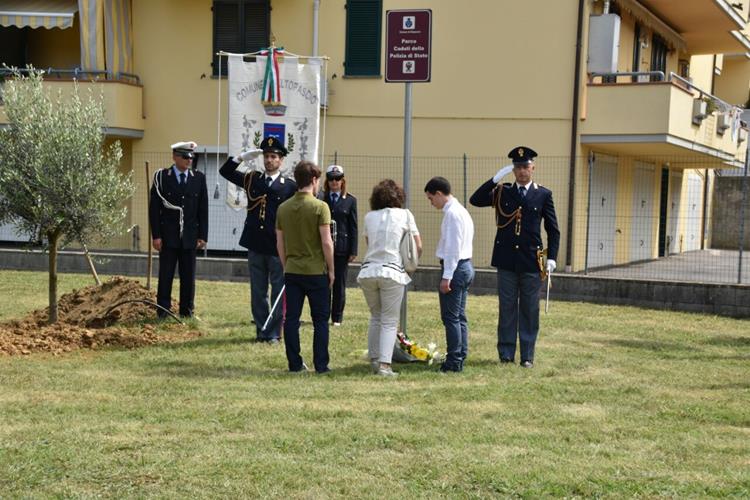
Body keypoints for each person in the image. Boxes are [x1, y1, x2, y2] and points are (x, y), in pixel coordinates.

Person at [470, 146, 560, 368]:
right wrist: (493, 180)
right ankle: (506, 354)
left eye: (525, 167)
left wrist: (552, 258)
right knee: (507, 307)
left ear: (533, 167)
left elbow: (553, 229)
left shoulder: (543, 194)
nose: (522, 171)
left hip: (531, 260)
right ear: (513, 170)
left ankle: (527, 356)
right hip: (507, 259)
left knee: (530, 309)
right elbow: (475, 199)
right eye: (518, 167)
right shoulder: (503, 191)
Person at [219, 137, 297, 343]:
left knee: (278, 291)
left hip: (277, 246)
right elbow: (225, 172)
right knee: (258, 290)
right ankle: (262, 330)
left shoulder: (289, 186)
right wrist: (241, 158)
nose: (269, 160)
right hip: (255, 243)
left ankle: (273, 333)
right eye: (266, 156)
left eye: (274, 157)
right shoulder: (253, 179)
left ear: (281, 160)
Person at [357, 179, 422, 377]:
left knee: (376, 316)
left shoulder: (369, 217)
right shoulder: (405, 214)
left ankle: (375, 360)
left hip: (368, 270)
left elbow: (369, 243)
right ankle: (385, 365)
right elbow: (417, 245)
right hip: (392, 270)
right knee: (389, 321)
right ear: (399, 197)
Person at [276, 161, 334, 374]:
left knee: (291, 318)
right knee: (320, 320)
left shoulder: (283, 208)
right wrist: (332, 269)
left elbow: (279, 243)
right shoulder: (320, 207)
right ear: (313, 180)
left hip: (292, 270)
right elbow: (327, 242)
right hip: (316, 271)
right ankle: (321, 365)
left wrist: (286, 265)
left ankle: (294, 363)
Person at [149, 141, 209, 318]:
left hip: (190, 237)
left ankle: (187, 311)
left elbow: (202, 209)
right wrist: (156, 235)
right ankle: (163, 311)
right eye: (184, 156)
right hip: (168, 236)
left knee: (188, 277)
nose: (188, 160)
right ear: (174, 156)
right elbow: (154, 209)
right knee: (166, 275)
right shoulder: (162, 177)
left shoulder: (198, 178)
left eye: (191, 157)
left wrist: (202, 235)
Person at [424, 176, 475, 373]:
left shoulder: (453, 214)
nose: (431, 203)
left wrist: (447, 277)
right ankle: (460, 354)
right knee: (459, 316)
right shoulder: (460, 210)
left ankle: (454, 361)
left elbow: (453, 249)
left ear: (439, 193)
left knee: (451, 317)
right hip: (464, 266)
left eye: (431, 198)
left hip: (456, 268)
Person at [317, 164, 358, 326]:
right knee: (324, 283)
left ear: (342, 181)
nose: (334, 182)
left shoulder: (350, 200)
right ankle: (323, 315)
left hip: (341, 247)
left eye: (338, 179)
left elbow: (353, 226)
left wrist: (353, 249)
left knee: (339, 284)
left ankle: (337, 318)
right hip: (323, 247)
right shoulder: (320, 198)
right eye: (331, 179)